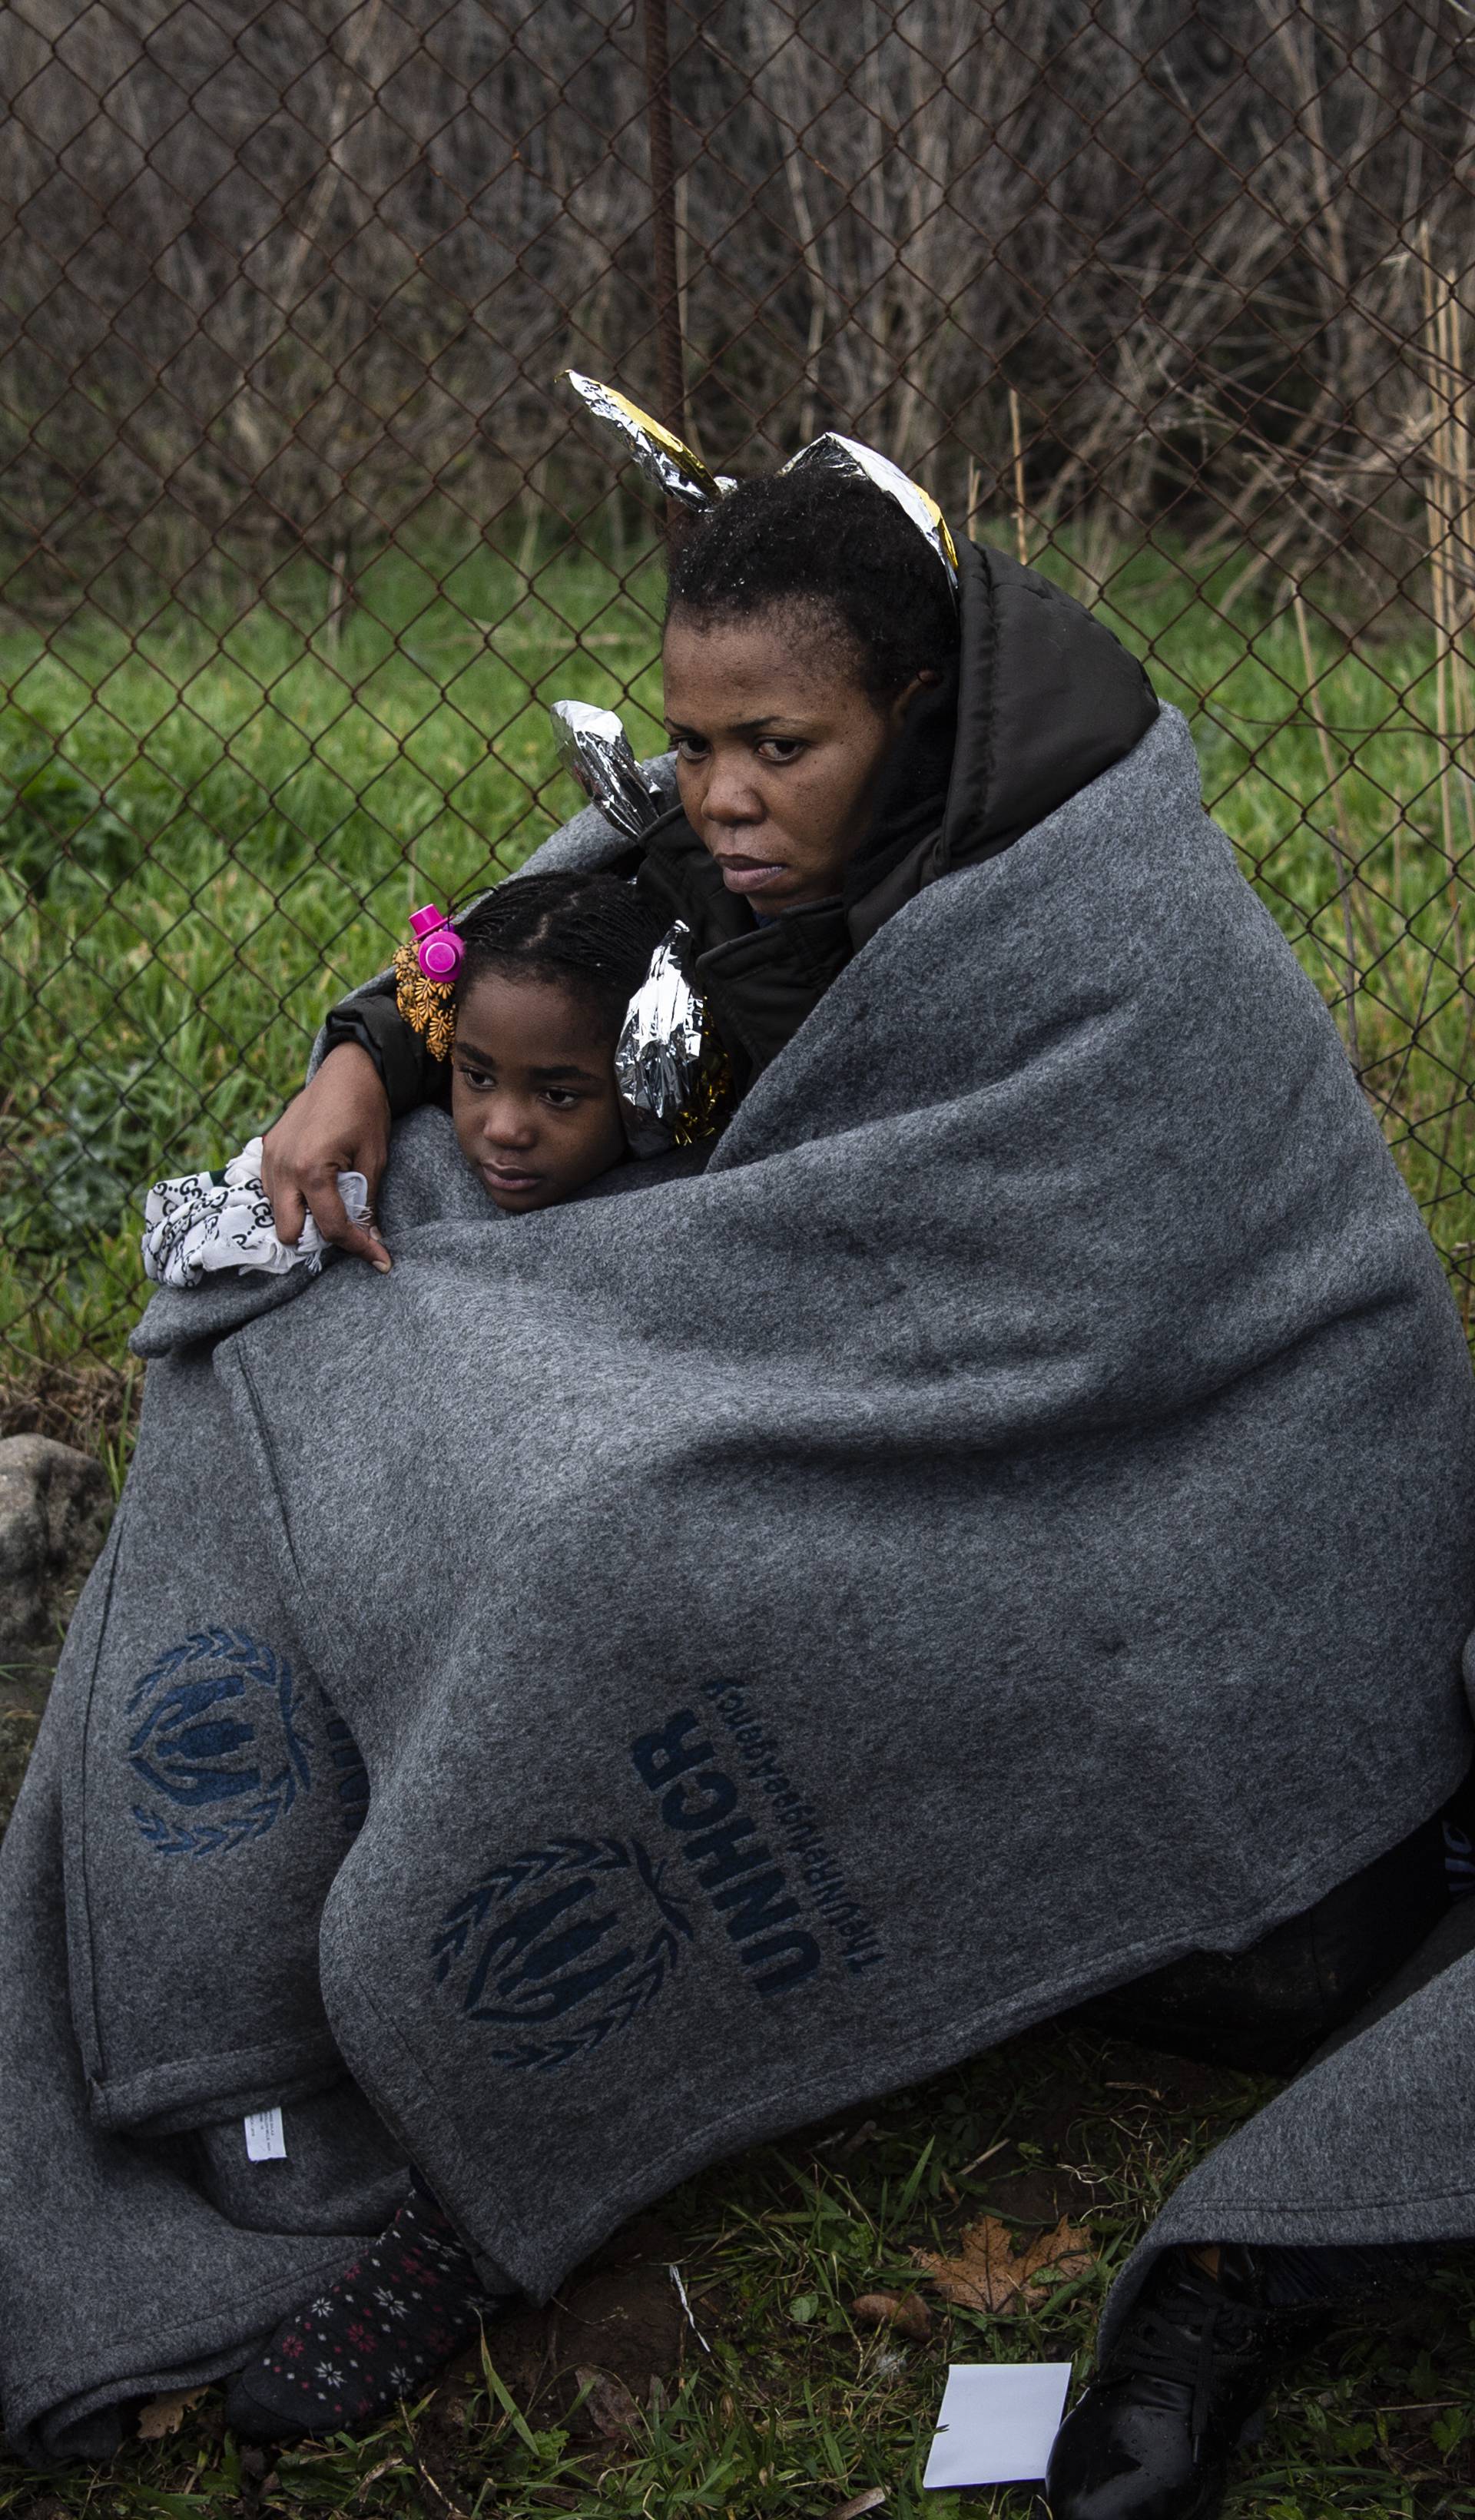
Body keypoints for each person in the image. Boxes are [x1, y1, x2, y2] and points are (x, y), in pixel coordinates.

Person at [2, 423, 1473, 2470]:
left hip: (1176, 1523)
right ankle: (223, 2004)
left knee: (628, 1562)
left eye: (776, 747)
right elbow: (544, 951)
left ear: (921, 712)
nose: (718, 798)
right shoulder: (748, 839)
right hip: (850, 1373)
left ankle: (485, 2120)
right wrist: (357, 1053)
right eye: (693, 746)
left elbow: (1149, 1293)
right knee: (290, 1311)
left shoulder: (1120, 919)